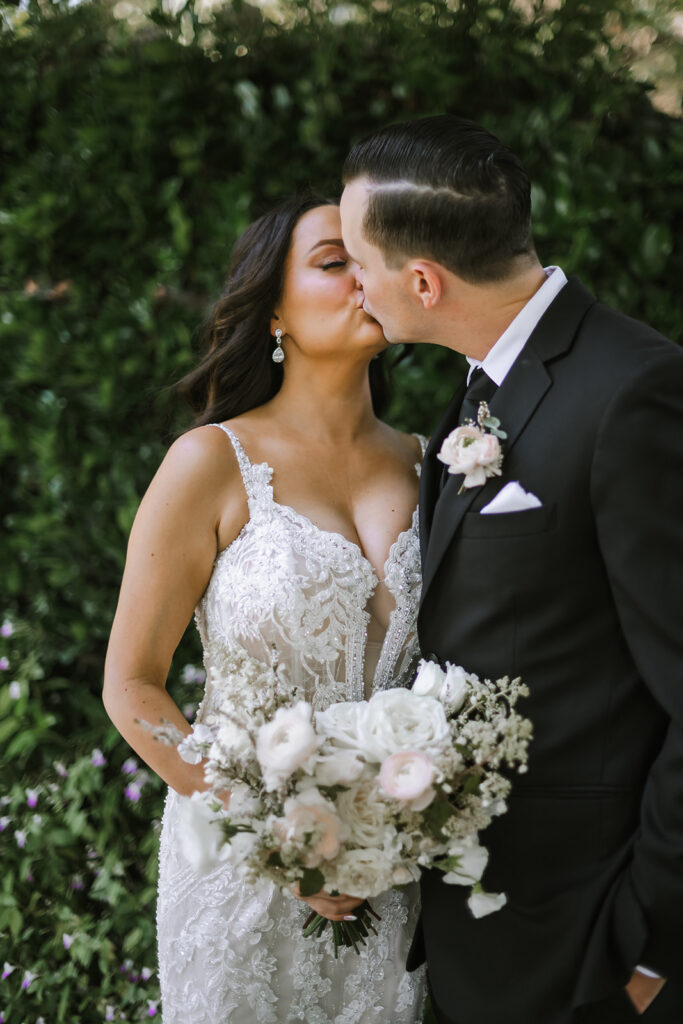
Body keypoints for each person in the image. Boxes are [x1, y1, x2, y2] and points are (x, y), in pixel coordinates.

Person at [339, 115, 683, 1024]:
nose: (353, 287)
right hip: (486, 928)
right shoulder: (482, 382)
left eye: (355, 262)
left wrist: (649, 946)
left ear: (421, 280)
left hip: (587, 939)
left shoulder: (632, 390)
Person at [102, 194, 427, 1023]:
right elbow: (133, 688)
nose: (365, 277)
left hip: (389, 869)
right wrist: (277, 839)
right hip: (242, 862)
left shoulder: (438, 465)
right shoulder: (211, 462)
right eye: (333, 261)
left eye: (374, 256)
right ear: (272, 306)